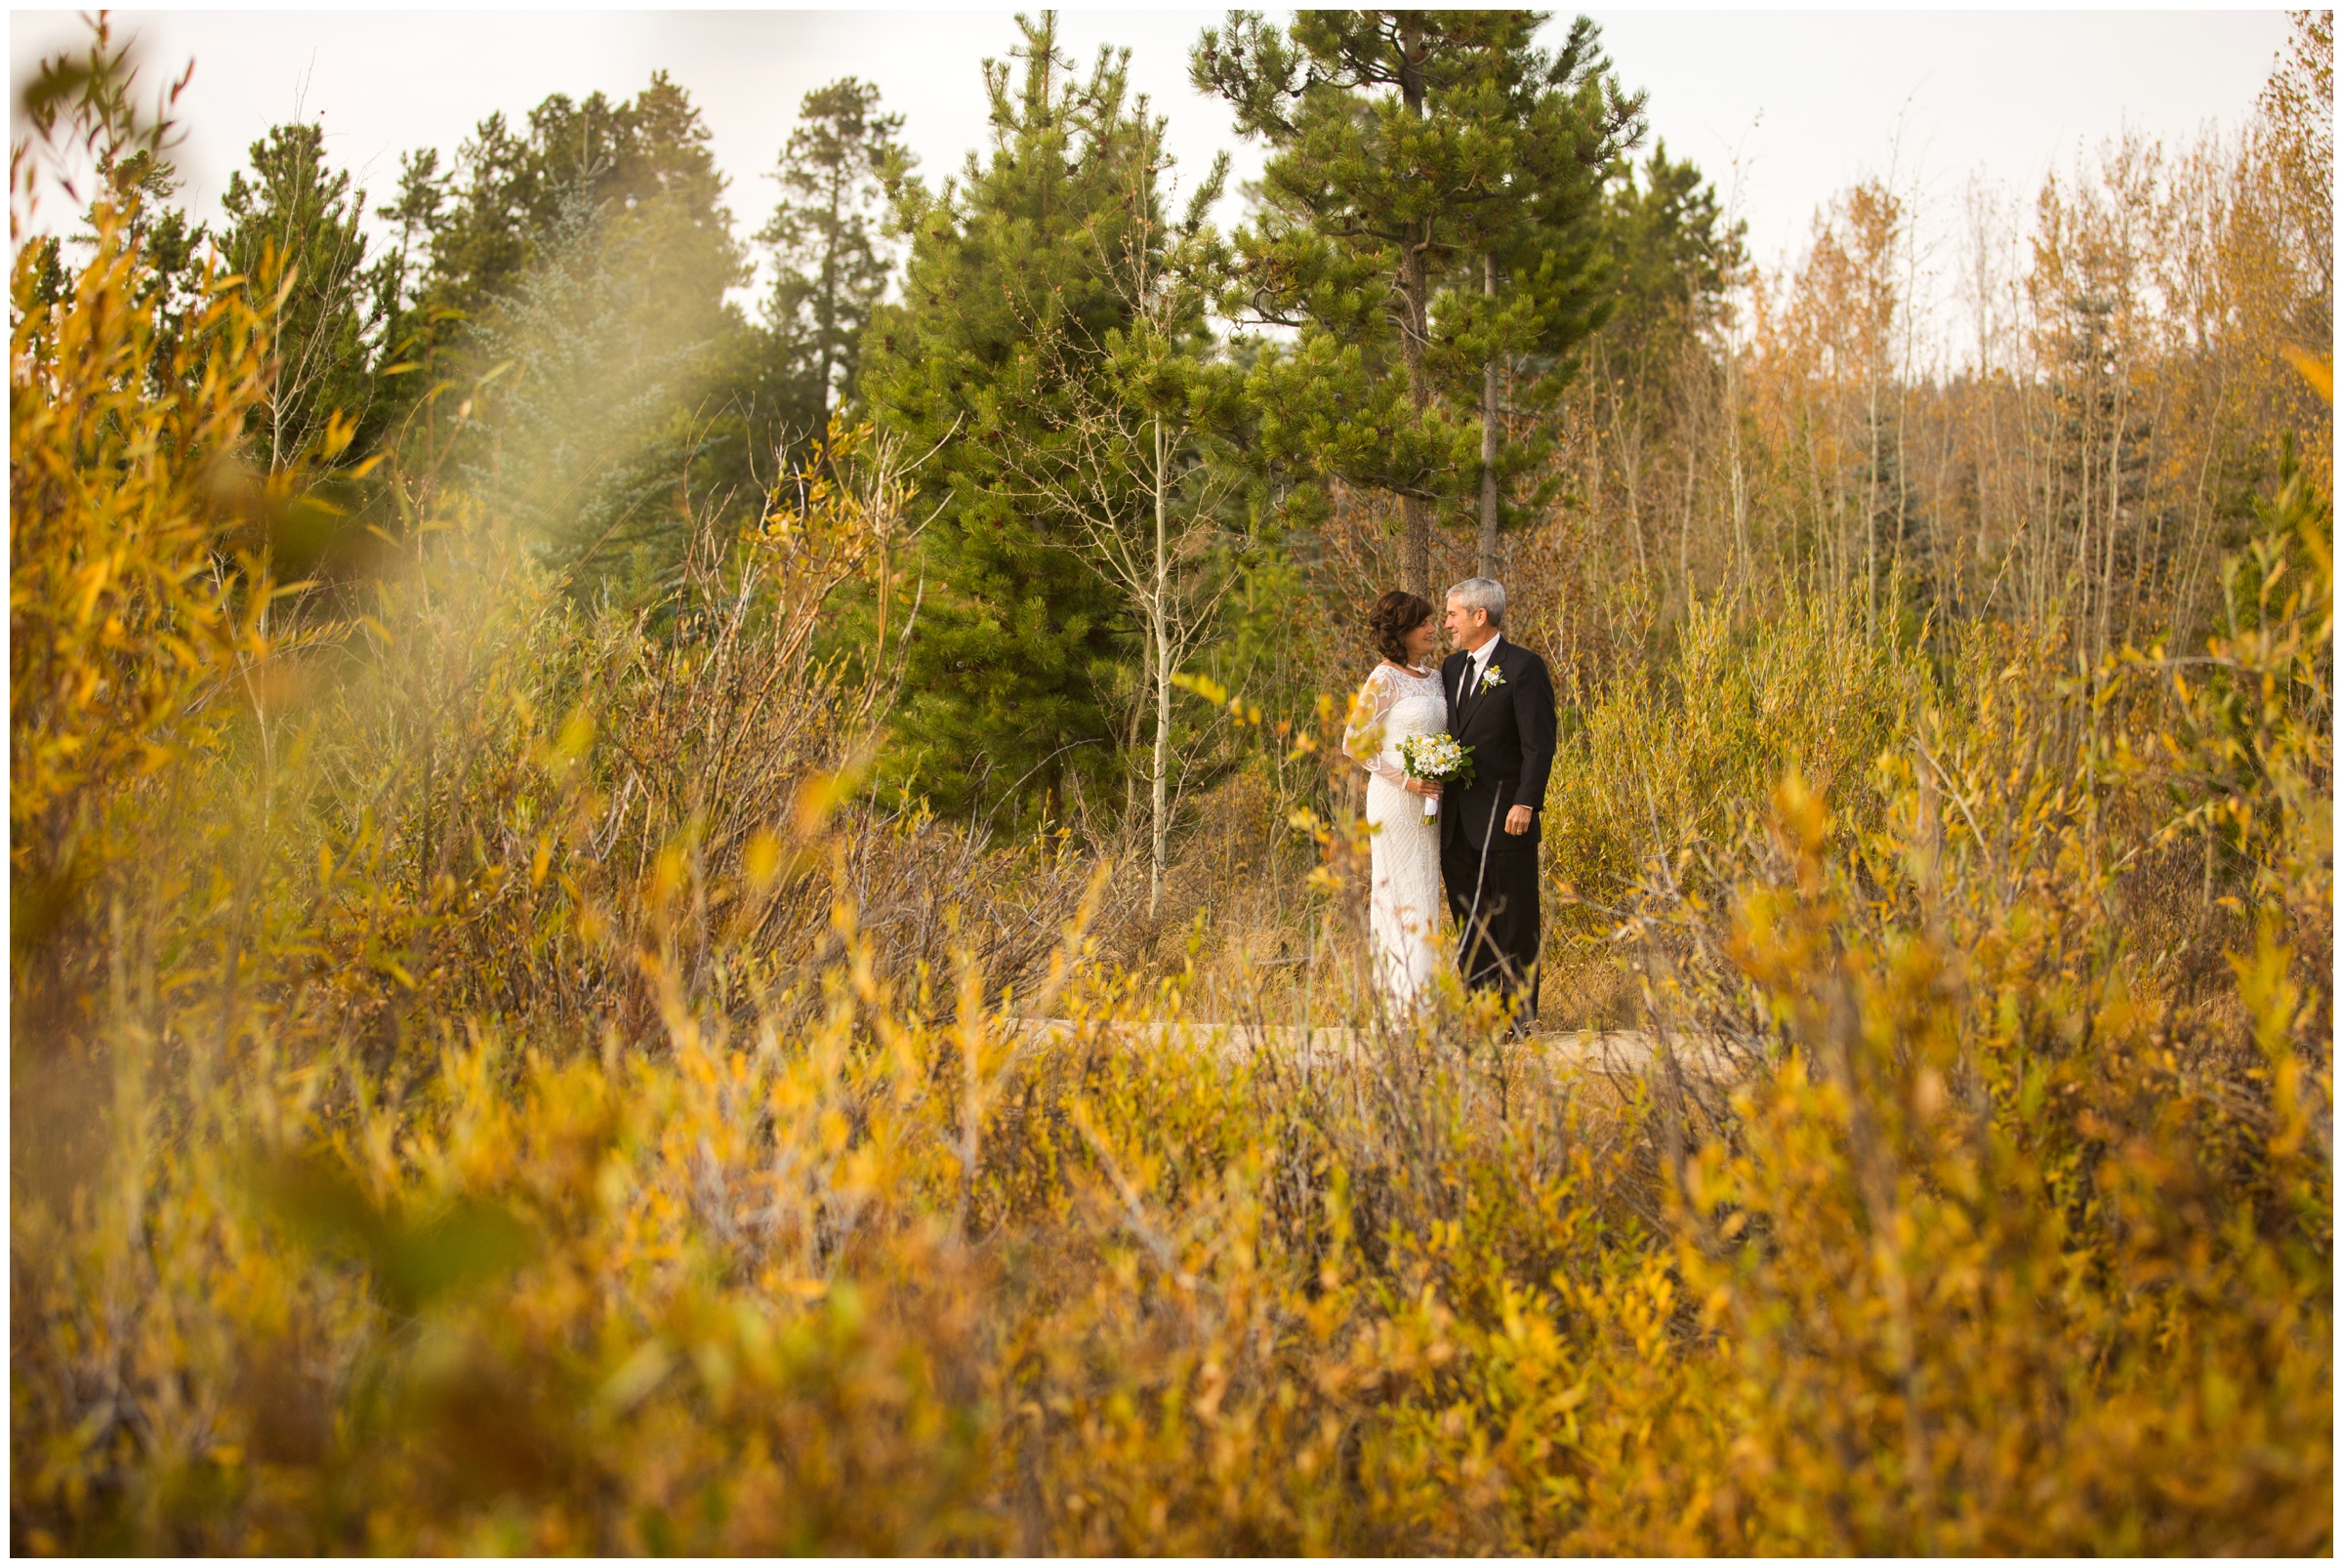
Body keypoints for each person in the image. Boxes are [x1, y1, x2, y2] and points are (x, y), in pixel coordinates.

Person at [1437, 577, 1556, 1029]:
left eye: (1453, 614)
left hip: (1507, 819)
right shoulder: (1450, 668)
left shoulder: (1523, 667)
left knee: (1515, 920)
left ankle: (1522, 1017)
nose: (1447, 622)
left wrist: (1527, 802)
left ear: (1478, 616)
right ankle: (1482, 1014)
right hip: (1456, 823)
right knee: (1471, 922)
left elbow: (1538, 745)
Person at [1340, 590, 1448, 1011]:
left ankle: (1424, 1002)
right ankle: (1400, 1008)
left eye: (1432, 621)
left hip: (1431, 802)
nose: (1431, 628)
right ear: (1400, 631)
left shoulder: (1437, 677)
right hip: (1396, 799)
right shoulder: (1384, 677)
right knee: (1399, 894)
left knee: (1424, 893)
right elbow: (1354, 743)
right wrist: (1408, 780)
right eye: (1422, 623)